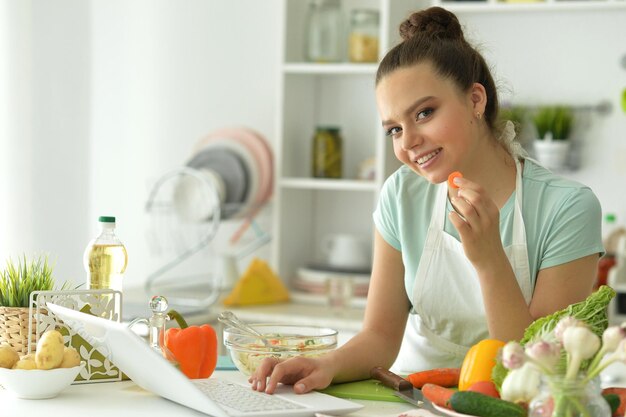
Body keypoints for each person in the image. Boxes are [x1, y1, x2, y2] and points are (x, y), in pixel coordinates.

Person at [250, 6, 604, 394]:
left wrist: (489, 260)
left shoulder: (566, 209)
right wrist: (321, 365)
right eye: (394, 129)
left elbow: (538, 367)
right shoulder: (401, 195)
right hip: (410, 397)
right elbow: (380, 336)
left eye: (425, 112)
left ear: (475, 100)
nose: (409, 141)